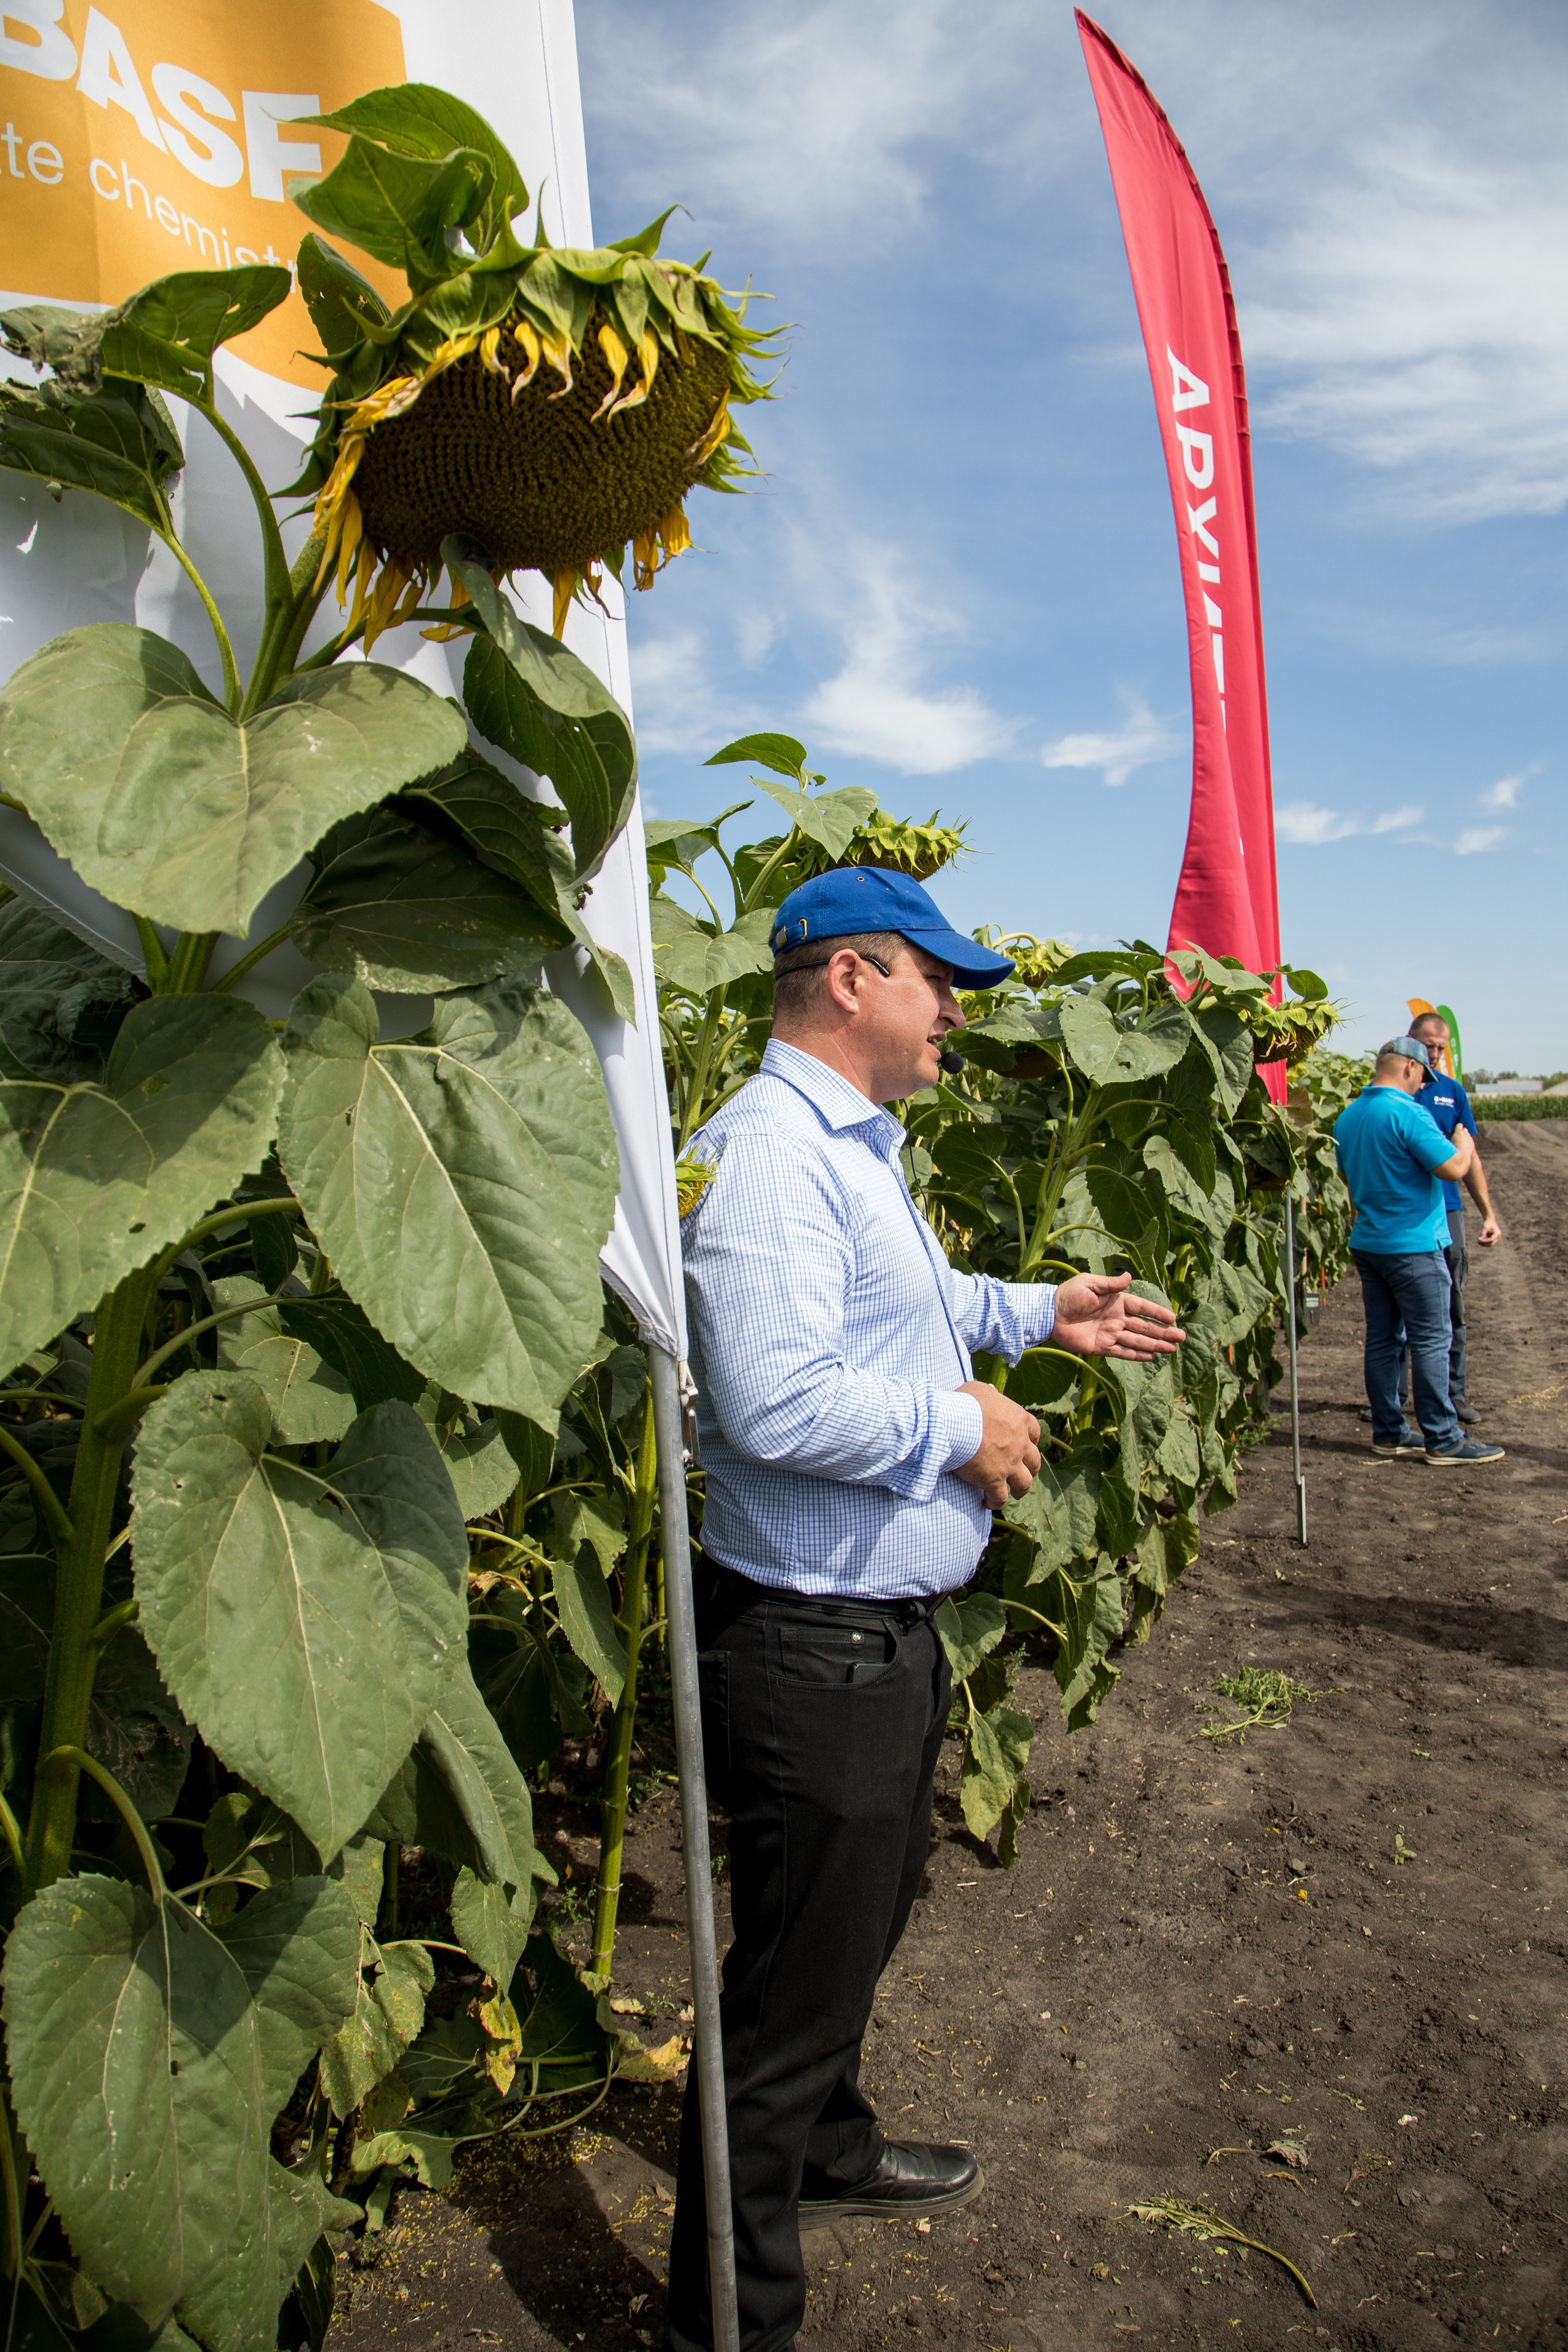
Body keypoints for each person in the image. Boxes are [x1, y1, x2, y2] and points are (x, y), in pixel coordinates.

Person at [666, 867, 1185, 2352]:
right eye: (934, 978)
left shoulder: (847, 1147)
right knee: (783, 1995)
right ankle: (728, 2312)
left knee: (852, 1927)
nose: (954, 1006)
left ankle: (828, 2152)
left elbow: (897, 1300)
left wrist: (1034, 1310)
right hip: (807, 1636)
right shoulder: (767, 1153)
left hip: (874, 1629)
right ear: (850, 981)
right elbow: (767, 1401)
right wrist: (960, 1429)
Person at [1333, 1037, 1503, 1467]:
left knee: (1382, 1341)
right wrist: (1463, 1141)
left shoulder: (1349, 1117)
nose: (1421, 1084)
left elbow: (1350, 1183)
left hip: (1370, 1242)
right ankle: (1443, 1438)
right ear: (1409, 1068)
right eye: (1421, 1076)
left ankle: (1388, 1433)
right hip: (1414, 1246)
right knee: (1431, 1338)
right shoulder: (1409, 1113)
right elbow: (1452, 1168)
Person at [1408, 1008, 1502, 1425]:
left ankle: (1455, 1394)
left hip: (1448, 1211)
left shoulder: (1453, 1092)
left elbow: (1470, 1155)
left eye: (1441, 1048)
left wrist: (1488, 1213)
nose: (1436, 1054)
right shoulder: (1397, 1090)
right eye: (1429, 1046)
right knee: (1402, 1310)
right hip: (1408, 1212)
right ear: (1412, 1043)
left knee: (1453, 1306)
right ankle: (1393, 1399)